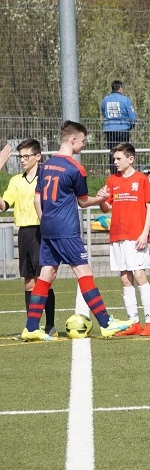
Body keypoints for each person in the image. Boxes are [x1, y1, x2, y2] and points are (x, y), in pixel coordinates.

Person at [20, 121, 133, 341]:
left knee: (46, 274)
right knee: (84, 272)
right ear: (73, 140)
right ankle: (106, 323)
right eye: (82, 140)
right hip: (66, 229)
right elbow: (83, 202)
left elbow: (37, 199)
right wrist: (101, 198)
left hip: (48, 227)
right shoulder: (75, 168)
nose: (84, 144)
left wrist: (46, 221)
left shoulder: (47, 166)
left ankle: (31, 327)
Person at [98, 143, 150, 335]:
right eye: (114, 159)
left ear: (130, 159)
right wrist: (101, 199)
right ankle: (134, 323)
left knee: (139, 275)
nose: (115, 162)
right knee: (125, 278)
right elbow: (106, 208)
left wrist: (144, 233)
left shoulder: (141, 179)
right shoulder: (112, 180)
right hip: (117, 235)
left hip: (136, 236)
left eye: (118, 158)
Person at [0, 140, 56, 335]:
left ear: (37, 156)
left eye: (26, 156)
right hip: (24, 233)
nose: (23, 160)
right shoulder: (16, 180)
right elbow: (4, 205)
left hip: (43, 233)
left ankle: (50, 325)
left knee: (43, 279)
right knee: (29, 282)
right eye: (20, 157)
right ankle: (31, 326)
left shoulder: (46, 177)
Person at [100, 80, 137, 174]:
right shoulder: (125, 99)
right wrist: (130, 127)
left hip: (109, 130)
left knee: (113, 152)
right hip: (123, 129)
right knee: (124, 152)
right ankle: (124, 172)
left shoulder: (105, 100)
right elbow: (132, 117)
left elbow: (104, 112)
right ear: (120, 88)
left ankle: (114, 173)